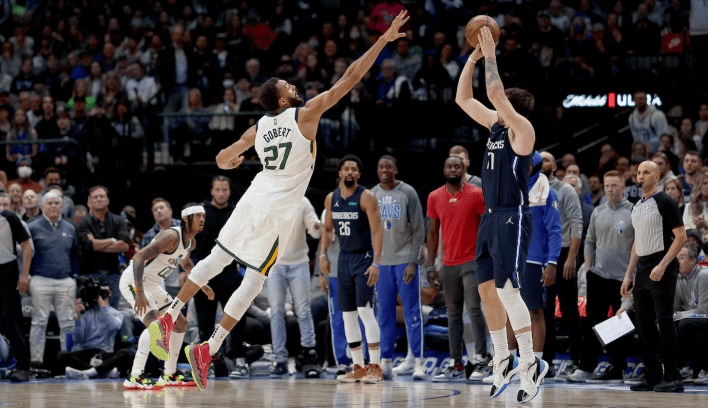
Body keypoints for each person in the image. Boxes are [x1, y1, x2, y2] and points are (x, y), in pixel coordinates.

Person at [148, 11, 410, 392]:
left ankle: (171, 318)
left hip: (254, 193)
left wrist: (235, 159)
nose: (295, 85)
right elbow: (351, 77)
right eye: (289, 84)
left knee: (217, 259)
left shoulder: (259, 127)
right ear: (282, 98)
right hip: (278, 208)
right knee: (253, 281)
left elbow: (222, 157)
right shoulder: (305, 115)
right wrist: (383, 40)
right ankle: (210, 346)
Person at [455, 26, 547, 403]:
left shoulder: (522, 130)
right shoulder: (495, 126)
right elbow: (463, 98)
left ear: (512, 107)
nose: (495, 107)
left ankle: (530, 364)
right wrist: (474, 57)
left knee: (509, 291)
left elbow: (493, 91)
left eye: (502, 104)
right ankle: (502, 359)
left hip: (513, 214)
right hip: (491, 216)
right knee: (485, 290)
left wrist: (490, 51)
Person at [120, 203, 210, 389]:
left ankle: (169, 374)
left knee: (181, 323)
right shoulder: (171, 236)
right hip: (134, 280)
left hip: (152, 284)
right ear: (186, 219)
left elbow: (185, 264)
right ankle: (135, 376)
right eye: (197, 216)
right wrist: (140, 292)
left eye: (203, 215)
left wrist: (203, 285)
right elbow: (138, 258)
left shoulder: (190, 242)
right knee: (155, 325)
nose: (202, 219)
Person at [621, 160, 687, 392]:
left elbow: (681, 237)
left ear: (657, 176)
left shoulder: (666, 202)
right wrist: (629, 273)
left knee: (664, 321)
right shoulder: (636, 205)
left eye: (646, 172)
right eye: (638, 172)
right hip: (643, 268)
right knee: (644, 324)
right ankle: (653, 375)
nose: (640, 176)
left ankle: (673, 376)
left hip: (663, 265)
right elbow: (637, 242)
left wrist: (662, 265)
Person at [426, 156, 490, 383]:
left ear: (464, 170)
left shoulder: (477, 194)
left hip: (472, 261)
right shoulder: (434, 196)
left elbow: (486, 229)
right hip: (448, 265)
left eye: (457, 166)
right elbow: (432, 234)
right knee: (453, 314)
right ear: (443, 170)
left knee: (473, 308)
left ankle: (483, 360)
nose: (453, 169)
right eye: (449, 166)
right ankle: (456, 364)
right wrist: (431, 265)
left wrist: (486, 258)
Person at [321, 155, 384, 384]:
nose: (349, 171)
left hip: (364, 258)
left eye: (354, 169)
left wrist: (376, 263)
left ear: (359, 174)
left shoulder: (367, 197)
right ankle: (357, 366)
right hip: (344, 260)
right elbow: (328, 229)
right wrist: (322, 255)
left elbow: (378, 232)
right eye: (345, 168)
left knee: (365, 312)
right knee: (347, 316)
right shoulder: (331, 198)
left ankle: (375, 367)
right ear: (339, 173)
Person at [568, 171, 635, 383]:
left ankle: (617, 369)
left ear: (623, 186)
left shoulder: (633, 212)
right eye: (607, 186)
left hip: (623, 278)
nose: (610, 189)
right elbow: (589, 242)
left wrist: (631, 275)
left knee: (620, 323)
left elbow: (638, 246)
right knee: (591, 323)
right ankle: (587, 367)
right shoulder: (597, 212)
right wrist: (588, 270)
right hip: (598, 276)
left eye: (614, 185)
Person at [371, 155, 426, 380]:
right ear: (377, 171)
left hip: (404, 261)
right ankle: (386, 362)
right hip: (382, 263)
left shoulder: (408, 192)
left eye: (389, 166)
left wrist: (413, 261)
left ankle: (419, 363)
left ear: (396, 169)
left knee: (413, 313)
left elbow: (419, 229)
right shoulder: (371, 194)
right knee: (384, 315)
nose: (385, 170)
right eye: (381, 166)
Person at [507, 152, 561, 374]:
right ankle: (508, 363)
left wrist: (552, 262)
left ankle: (536, 365)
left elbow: (555, 231)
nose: (523, 165)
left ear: (536, 165)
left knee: (535, 312)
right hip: (510, 259)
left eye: (528, 162)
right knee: (509, 312)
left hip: (534, 260)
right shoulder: (510, 188)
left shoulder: (548, 192)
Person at [540, 152, 584, 380]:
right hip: (540, 254)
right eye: (539, 158)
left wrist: (571, 258)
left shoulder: (565, 189)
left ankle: (576, 360)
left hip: (564, 253)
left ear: (555, 166)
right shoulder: (531, 188)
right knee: (543, 311)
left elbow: (577, 222)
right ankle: (545, 362)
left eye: (547, 159)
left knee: (568, 310)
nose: (542, 162)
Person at [267, 196, 323, 378]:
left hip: (299, 263)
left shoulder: (303, 202)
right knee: (276, 311)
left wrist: (316, 227)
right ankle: (280, 359)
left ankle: (308, 355)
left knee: (303, 310)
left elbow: (315, 232)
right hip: (275, 264)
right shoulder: (269, 200)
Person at [27, 192, 80, 369]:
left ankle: (69, 362)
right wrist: (28, 275)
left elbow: (75, 254)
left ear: (62, 206)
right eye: (49, 203)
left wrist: (74, 276)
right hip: (40, 279)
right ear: (42, 206)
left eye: (57, 203)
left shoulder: (70, 228)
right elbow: (27, 254)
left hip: (65, 280)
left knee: (68, 323)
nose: (54, 206)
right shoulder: (32, 227)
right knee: (39, 322)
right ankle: (36, 362)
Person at [60, 276, 132, 380]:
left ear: (110, 293)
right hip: (83, 353)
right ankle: (101, 372)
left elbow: (113, 326)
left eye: (102, 290)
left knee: (126, 353)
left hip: (104, 354)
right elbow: (78, 339)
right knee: (62, 355)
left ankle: (86, 373)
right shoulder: (84, 312)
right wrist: (78, 316)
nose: (99, 292)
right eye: (97, 290)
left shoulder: (117, 313)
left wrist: (101, 303)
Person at [77, 186, 130, 308]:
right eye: (95, 197)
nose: (99, 199)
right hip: (90, 275)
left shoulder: (119, 220)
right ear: (89, 202)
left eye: (102, 196)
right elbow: (88, 245)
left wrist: (96, 242)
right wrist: (112, 240)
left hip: (113, 274)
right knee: (91, 313)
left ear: (108, 200)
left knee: (113, 312)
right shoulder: (84, 222)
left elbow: (125, 245)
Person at [0, 192, 33, 382]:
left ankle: (22, 365)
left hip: (7, 272)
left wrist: (24, 274)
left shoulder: (10, 217)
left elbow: (26, 245)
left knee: (13, 321)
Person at [674, 245, 708, 385]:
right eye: (675, 258)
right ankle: (685, 368)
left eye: (681, 258)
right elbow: (674, 310)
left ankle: (706, 367)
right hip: (690, 319)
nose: (677, 262)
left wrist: (678, 315)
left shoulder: (703, 275)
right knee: (664, 323)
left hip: (705, 316)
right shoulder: (677, 277)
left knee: (685, 323)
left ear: (693, 260)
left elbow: (704, 310)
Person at [142, 198, 182, 298]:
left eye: (161, 208)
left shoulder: (183, 227)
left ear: (170, 211)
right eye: (155, 210)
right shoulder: (149, 235)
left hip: (185, 278)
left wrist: (184, 271)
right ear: (154, 216)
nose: (158, 211)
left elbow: (192, 251)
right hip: (162, 282)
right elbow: (146, 262)